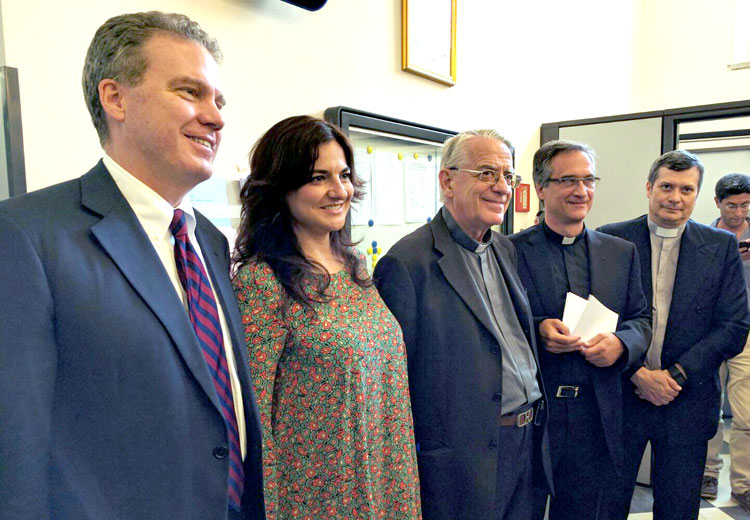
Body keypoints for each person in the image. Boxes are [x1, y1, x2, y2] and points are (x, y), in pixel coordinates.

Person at [0, 12, 265, 520]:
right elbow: (15, 454)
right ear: (115, 98)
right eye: (190, 92)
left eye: (219, 100)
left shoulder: (207, 240)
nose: (216, 117)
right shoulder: (27, 238)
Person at [232, 115, 421, 520]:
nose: (340, 191)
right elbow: (253, 417)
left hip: (386, 479)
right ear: (282, 187)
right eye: (319, 177)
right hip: (317, 496)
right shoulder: (262, 283)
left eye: (345, 175)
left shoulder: (355, 268)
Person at [374, 129, 552, 520]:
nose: (502, 187)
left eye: (509, 176)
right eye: (487, 173)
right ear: (447, 180)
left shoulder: (504, 247)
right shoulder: (407, 263)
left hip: (528, 442)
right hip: (463, 459)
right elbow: (396, 384)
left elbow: (500, 334)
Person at [599, 150, 750, 519]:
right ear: (649, 188)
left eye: (686, 189)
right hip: (622, 393)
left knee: (679, 508)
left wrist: (675, 376)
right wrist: (637, 373)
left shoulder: (720, 246)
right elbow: (599, 318)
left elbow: (733, 325)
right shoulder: (610, 240)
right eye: (666, 186)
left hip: (686, 396)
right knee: (608, 503)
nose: (675, 197)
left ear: (697, 195)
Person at [510, 141, 650, 520]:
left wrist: (621, 344)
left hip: (596, 412)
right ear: (541, 188)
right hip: (536, 414)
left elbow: (640, 318)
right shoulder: (508, 252)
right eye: (568, 180)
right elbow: (498, 322)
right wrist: (539, 330)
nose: (581, 190)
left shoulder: (621, 252)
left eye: (589, 180)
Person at [700, 173, 750, 511]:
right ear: (717, 203)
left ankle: (744, 484)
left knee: (747, 413)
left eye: (745, 205)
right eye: (731, 205)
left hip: (747, 333)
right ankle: (706, 472)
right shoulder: (705, 238)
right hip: (710, 330)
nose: (738, 212)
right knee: (707, 406)